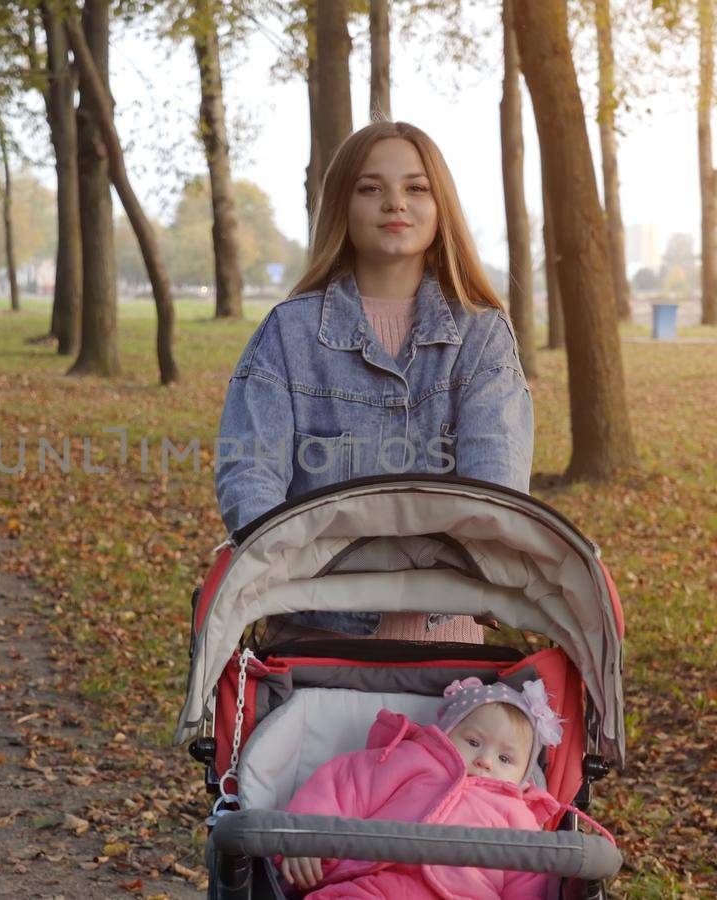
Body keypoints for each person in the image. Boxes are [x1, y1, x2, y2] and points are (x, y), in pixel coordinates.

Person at [214, 121, 533, 643]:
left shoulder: (481, 336)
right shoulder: (288, 333)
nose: (395, 204)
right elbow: (250, 478)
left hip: (443, 645)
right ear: (343, 204)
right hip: (313, 636)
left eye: (416, 187)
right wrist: (303, 574)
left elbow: (493, 493)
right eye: (371, 188)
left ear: (439, 208)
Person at [277, 678, 564, 899]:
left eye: (505, 759)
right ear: (447, 732)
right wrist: (306, 836)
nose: (485, 761)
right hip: (374, 884)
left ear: (524, 775)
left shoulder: (518, 816)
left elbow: (527, 881)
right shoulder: (410, 759)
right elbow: (343, 787)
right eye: (473, 742)